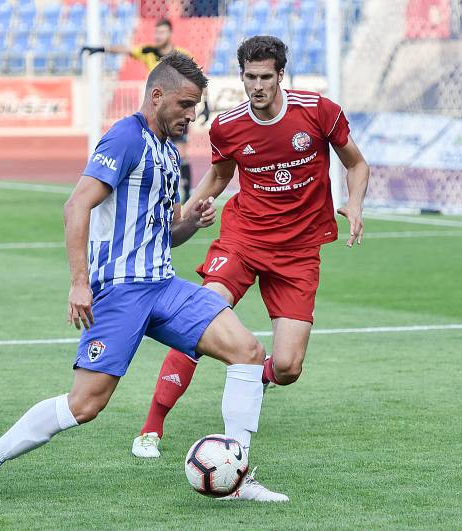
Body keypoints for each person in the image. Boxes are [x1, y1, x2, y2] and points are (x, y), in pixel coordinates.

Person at [0, 52, 288, 504]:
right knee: (84, 405)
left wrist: (192, 223)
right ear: (158, 95)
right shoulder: (126, 137)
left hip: (163, 286)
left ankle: (236, 475)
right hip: (120, 291)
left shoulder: (167, 153)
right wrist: (78, 282)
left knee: (248, 352)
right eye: (186, 105)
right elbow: (76, 205)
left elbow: (162, 235)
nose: (192, 115)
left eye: (197, 107)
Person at [130, 36, 371, 464]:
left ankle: (254, 375)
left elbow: (356, 162)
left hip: (298, 251)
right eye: (249, 77)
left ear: (281, 75)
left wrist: (353, 203)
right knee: (200, 314)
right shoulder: (228, 125)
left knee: (288, 369)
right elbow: (220, 176)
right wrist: (186, 210)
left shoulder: (318, 112)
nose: (257, 86)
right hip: (244, 237)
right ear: (241, 75)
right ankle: (152, 426)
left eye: (265, 77)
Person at [81, 18, 204, 203]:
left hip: (176, 109)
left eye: (161, 32)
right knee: (152, 147)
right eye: (156, 32)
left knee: (180, 153)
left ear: (170, 34)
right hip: (155, 110)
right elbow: (126, 49)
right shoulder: (148, 51)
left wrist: (206, 102)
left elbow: (196, 78)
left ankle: (184, 190)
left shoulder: (181, 56)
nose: (157, 36)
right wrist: (101, 49)